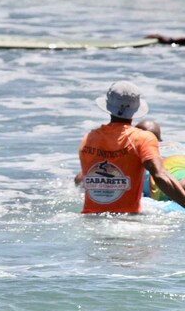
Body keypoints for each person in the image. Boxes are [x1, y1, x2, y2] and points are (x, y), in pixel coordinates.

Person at [77, 81, 185, 213]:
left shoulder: (89, 138)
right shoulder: (142, 138)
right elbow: (160, 176)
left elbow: (85, 178)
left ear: (108, 105)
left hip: (91, 219)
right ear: (136, 108)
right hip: (128, 220)